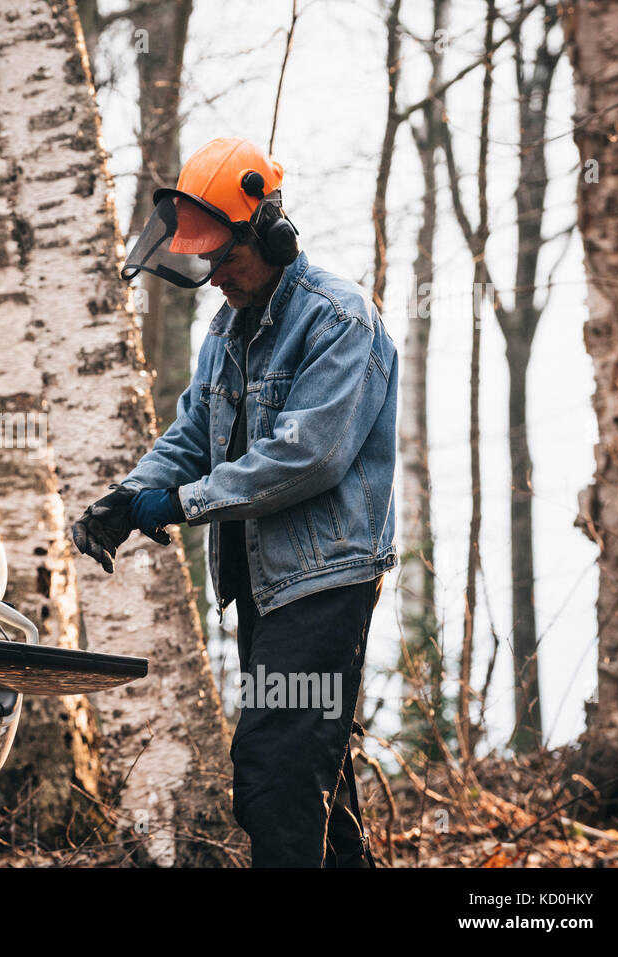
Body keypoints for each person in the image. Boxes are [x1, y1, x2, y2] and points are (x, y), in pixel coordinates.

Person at [71, 137, 399, 867]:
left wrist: (183, 504)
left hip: (322, 583)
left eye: (227, 261)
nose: (216, 278)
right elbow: (192, 431)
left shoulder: (339, 321)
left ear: (274, 237)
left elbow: (306, 456)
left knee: (275, 774)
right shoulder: (227, 333)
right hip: (262, 586)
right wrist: (128, 497)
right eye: (206, 264)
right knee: (316, 783)